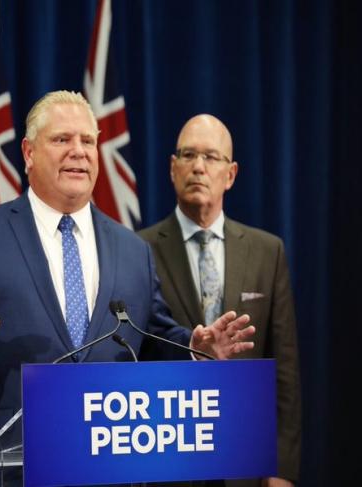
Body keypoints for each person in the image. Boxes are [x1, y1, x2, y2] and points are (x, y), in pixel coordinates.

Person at [0, 92, 256, 487]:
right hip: (6, 472)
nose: (78, 151)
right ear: (29, 153)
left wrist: (195, 348)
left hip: (107, 471)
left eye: (87, 141)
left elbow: (151, 336)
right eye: (62, 139)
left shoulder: (133, 250)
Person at [139, 114, 301, 487]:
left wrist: (281, 470)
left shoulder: (267, 252)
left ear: (230, 174)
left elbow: (284, 371)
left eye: (211, 157)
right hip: (169, 458)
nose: (198, 167)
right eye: (188, 155)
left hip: (244, 459)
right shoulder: (138, 250)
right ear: (172, 168)